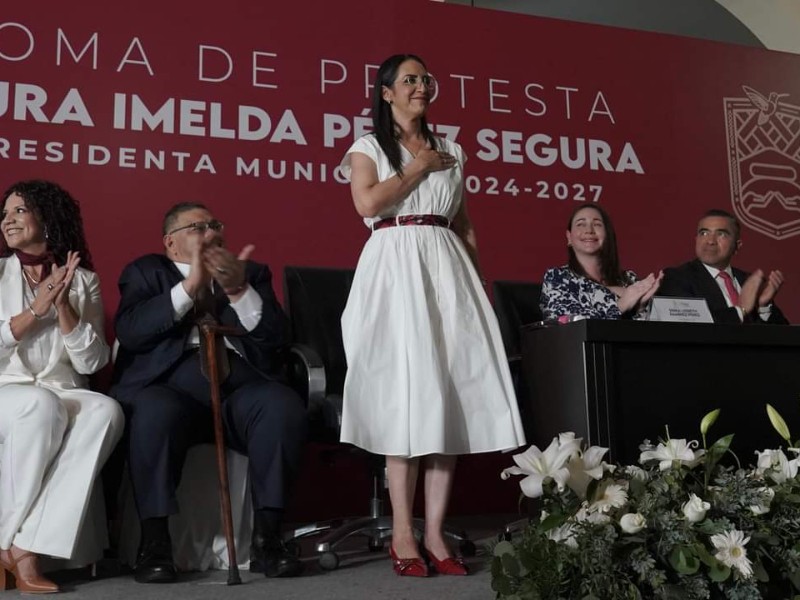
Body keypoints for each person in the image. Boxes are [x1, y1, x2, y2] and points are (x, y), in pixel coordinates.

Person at [340, 54, 526, 578]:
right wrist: (418, 167)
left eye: (425, 79)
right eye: (410, 80)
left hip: (449, 274)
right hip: (395, 269)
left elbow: (463, 223)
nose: (421, 86)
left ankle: (437, 531)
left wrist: (476, 286)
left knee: (448, 399)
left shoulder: (453, 150)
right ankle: (403, 531)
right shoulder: (368, 147)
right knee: (407, 400)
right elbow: (367, 203)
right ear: (386, 93)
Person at [111, 202, 306, 583]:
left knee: (281, 405)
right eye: (197, 226)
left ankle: (268, 541)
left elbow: (276, 338)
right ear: (171, 242)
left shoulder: (250, 274)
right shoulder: (146, 272)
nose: (210, 231)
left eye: (214, 224)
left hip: (240, 393)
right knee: (152, 411)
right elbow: (132, 331)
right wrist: (189, 288)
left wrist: (237, 289)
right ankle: (155, 545)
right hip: (170, 389)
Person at [0, 180, 124, 594]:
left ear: (47, 219)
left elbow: (91, 362)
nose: (8, 220)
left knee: (106, 411)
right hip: (7, 390)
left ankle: (24, 541)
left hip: (61, 387)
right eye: (5, 213)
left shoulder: (82, 279)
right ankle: (23, 551)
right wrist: (36, 310)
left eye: (20, 211)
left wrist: (64, 304)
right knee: (38, 404)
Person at [659, 208, 788, 324]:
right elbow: (692, 326)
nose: (710, 241)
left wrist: (763, 307)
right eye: (704, 233)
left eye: (721, 234)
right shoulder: (676, 278)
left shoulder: (750, 282)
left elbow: (785, 338)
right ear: (696, 240)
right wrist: (740, 310)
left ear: (737, 246)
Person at [540, 204, 662, 320]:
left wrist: (640, 308)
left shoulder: (629, 279)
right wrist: (620, 305)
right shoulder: (558, 277)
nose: (589, 230)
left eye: (597, 224)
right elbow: (567, 327)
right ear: (569, 237)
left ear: (607, 234)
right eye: (581, 224)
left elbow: (649, 331)